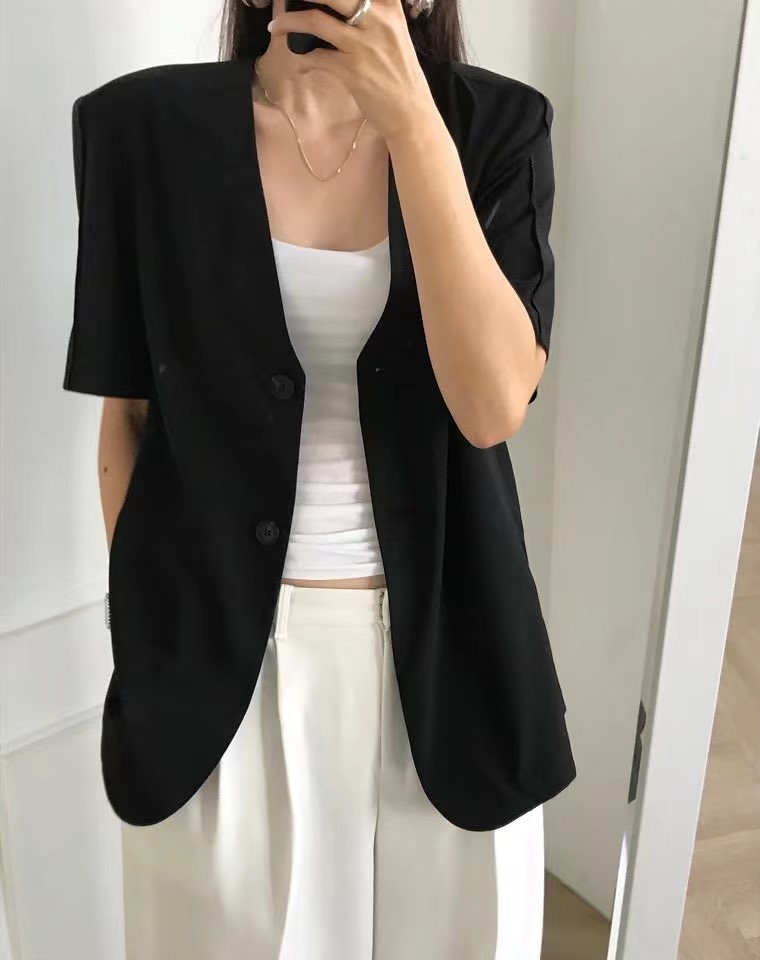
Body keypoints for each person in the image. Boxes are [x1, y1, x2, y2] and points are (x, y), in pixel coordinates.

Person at [62, 0, 576, 955]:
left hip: (448, 664)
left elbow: (491, 406)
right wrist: (147, 627)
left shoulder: (497, 129)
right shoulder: (139, 128)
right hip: (215, 663)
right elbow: (125, 417)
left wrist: (411, 121)